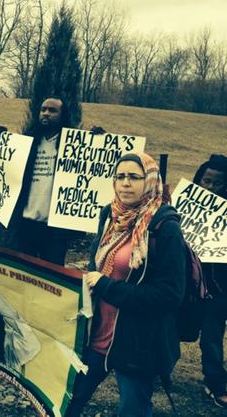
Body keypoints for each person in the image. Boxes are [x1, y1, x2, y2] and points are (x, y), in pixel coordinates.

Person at [65, 153, 186, 417]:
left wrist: (107, 286)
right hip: (97, 332)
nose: (125, 184)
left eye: (134, 177)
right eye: (119, 176)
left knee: (133, 409)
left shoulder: (165, 228)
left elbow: (169, 295)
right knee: (68, 400)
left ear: (150, 181)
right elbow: (97, 265)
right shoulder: (110, 215)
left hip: (137, 341)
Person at [17, 96, 82, 265]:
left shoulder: (73, 145)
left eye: (52, 110)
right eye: (43, 109)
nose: (46, 113)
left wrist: (98, 140)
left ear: (63, 116)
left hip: (55, 229)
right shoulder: (27, 141)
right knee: (23, 275)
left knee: (51, 280)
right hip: (26, 225)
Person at [194, 154, 227, 408]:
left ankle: (215, 382)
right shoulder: (186, 209)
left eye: (217, 184)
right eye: (206, 181)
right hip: (188, 286)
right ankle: (156, 369)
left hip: (218, 289)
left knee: (212, 337)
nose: (210, 188)